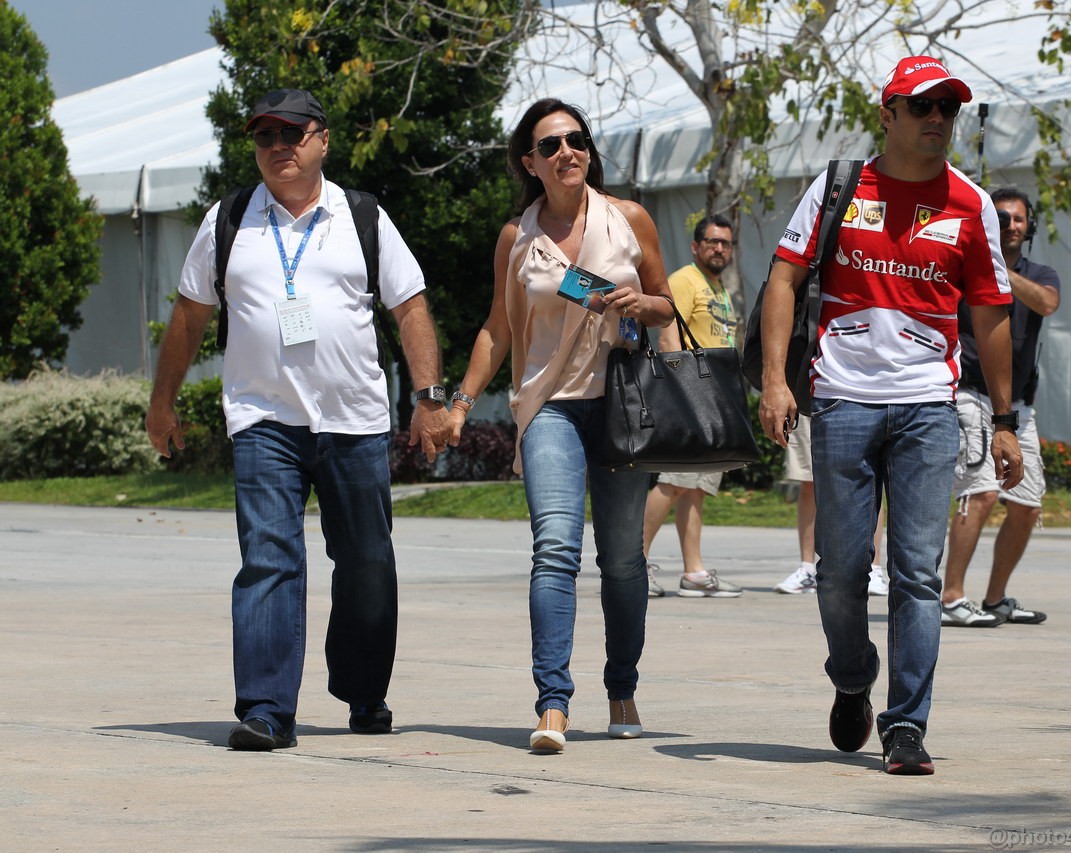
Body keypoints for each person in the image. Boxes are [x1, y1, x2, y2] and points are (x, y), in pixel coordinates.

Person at [146, 88, 453, 751]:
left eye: (291, 133)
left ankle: (364, 690)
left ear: (323, 139)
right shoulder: (228, 220)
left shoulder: (364, 216)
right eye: (264, 137)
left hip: (355, 420)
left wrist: (428, 397)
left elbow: (411, 307)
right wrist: (161, 401)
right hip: (263, 419)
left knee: (367, 561)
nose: (278, 147)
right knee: (268, 560)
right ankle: (265, 708)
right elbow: (190, 314)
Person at [757, 56, 1024, 775]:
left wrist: (1005, 416)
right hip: (841, 402)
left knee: (916, 572)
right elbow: (783, 276)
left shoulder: (970, 205)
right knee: (840, 572)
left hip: (928, 410)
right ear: (890, 112)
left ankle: (906, 723)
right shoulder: (840, 186)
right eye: (922, 107)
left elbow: (992, 316)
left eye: (949, 109)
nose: (937, 120)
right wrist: (774, 380)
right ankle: (852, 675)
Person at [447, 98, 675, 753]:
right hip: (548, 410)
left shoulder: (628, 219)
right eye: (551, 145)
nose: (567, 151)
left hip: (622, 403)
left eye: (577, 139)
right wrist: (462, 401)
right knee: (554, 548)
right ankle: (552, 703)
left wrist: (642, 302)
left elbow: (665, 305)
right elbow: (497, 326)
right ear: (530, 162)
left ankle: (623, 685)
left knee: (624, 559)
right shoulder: (517, 238)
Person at [942, 187, 1060, 627]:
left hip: (1018, 407)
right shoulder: (963, 269)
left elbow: (1047, 302)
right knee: (982, 492)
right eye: (1001, 217)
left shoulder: (1039, 273)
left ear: (1029, 226)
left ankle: (995, 598)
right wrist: (981, 265)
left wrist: (999, 273)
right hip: (972, 395)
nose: (1011, 225)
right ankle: (952, 597)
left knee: (1027, 505)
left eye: (1017, 219)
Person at [642, 214, 744, 599]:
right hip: (690, 398)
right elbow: (668, 334)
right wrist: (681, 394)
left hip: (716, 401)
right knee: (673, 481)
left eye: (726, 243)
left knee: (697, 487)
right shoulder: (685, 280)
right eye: (712, 242)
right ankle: (635, 564)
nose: (720, 248)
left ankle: (694, 572)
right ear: (696, 246)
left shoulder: (718, 288)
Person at [773, 414, 888, 596]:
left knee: (870, 480)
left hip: (856, 398)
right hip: (808, 398)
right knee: (808, 479)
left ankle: (873, 569)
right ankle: (806, 569)